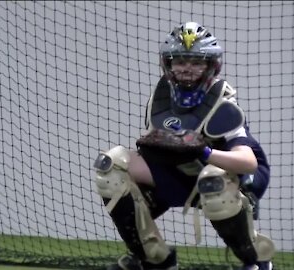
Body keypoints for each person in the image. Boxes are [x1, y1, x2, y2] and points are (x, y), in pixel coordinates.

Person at [93, 22, 276, 270]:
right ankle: (154, 258)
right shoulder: (160, 99)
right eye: (180, 61)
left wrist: (204, 152)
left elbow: (248, 162)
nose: (187, 68)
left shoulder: (223, 106)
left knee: (213, 180)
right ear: (168, 64)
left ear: (211, 66)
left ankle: (255, 260)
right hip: (180, 172)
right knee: (111, 165)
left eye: (196, 62)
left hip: (229, 178)